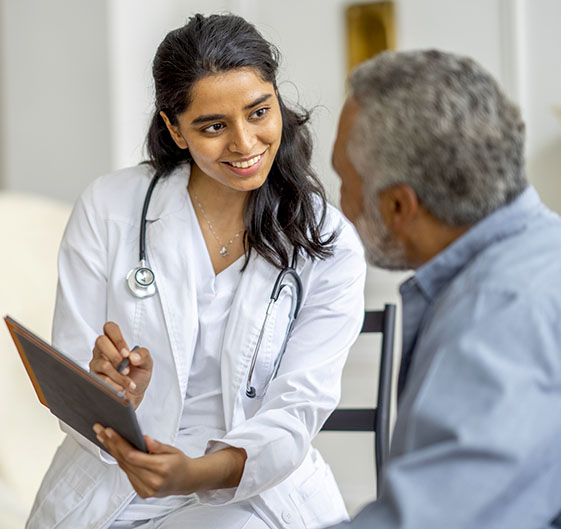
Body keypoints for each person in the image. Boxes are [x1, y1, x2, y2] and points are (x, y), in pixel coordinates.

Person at [27, 14, 366, 529]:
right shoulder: (109, 207)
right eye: (213, 126)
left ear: (277, 100)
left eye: (259, 112)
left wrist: (195, 473)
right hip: (115, 485)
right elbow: (71, 379)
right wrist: (111, 396)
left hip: (247, 492)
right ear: (174, 129)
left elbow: (296, 411)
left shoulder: (329, 243)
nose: (245, 143)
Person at [330, 49, 561, 528]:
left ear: (397, 205)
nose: (339, 203)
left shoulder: (497, 314)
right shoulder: (543, 251)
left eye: (344, 181)